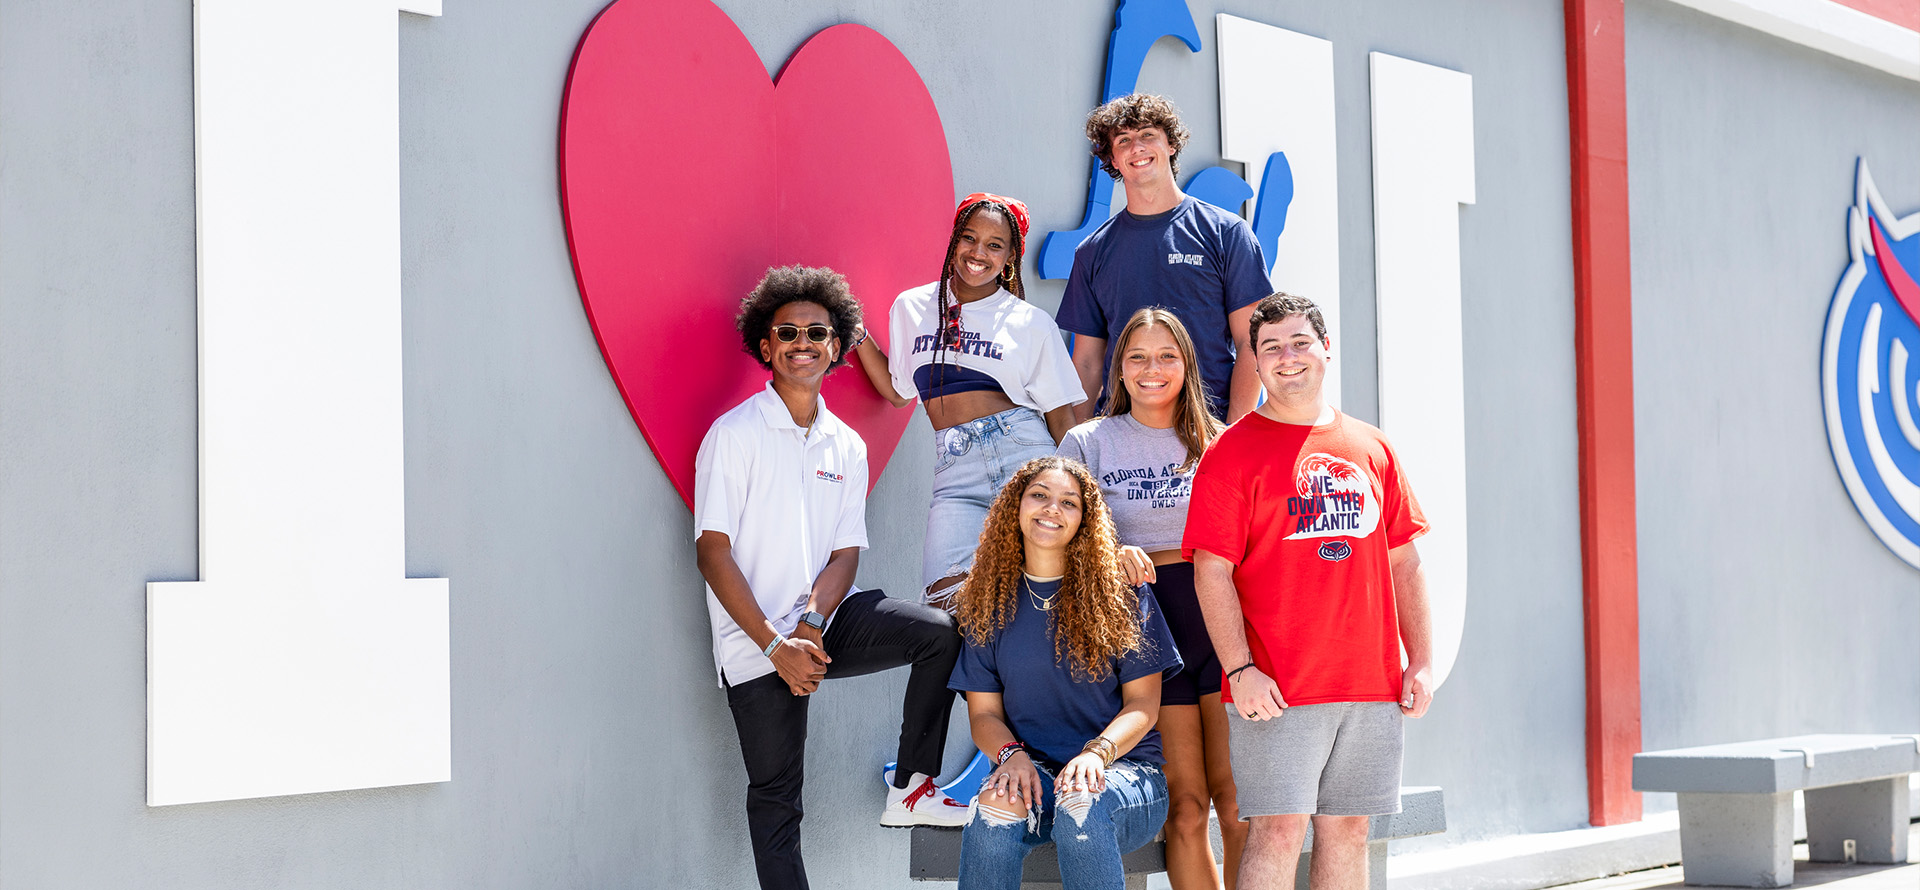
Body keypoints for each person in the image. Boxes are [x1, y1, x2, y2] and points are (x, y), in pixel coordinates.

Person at [693, 265, 969, 890]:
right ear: (766, 347)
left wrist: (813, 622)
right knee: (777, 799)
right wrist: (776, 644)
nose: (803, 343)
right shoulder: (734, 435)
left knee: (939, 632)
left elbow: (845, 553)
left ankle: (911, 786)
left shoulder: (847, 445)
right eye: (787, 332)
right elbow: (712, 552)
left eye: (816, 333)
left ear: (836, 346)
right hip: (755, 645)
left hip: (822, 622)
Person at [1182, 294, 1435, 890]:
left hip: (1371, 685)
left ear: (1326, 349)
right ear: (1255, 361)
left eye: (1299, 342)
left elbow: (1404, 563)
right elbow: (1211, 572)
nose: (1286, 357)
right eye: (1270, 347)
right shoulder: (1230, 453)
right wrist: (1239, 669)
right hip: (1277, 686)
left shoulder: (1372, 447)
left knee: (1349, 830)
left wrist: (1421, 660)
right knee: (1278, 829)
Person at [1055, 308, 1243, 890]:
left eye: (1166, 356)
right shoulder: (1088, 441)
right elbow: (1055, 532)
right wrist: (1108, 553)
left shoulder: (1223, 443)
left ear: (1187, 365)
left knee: (1239, 806)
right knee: (1185, 809)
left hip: (1222, 627)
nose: (1152, 369)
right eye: (1137, 357)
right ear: (1119, 368)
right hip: (1147, 636)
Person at [948, 456, 1182, 890]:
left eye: (1069, 502)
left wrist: (1096, 754)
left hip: (1122, 773)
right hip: (1031, 770)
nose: (1052, 508)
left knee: (1081, 801)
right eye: (1039, 495)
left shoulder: (1121, 594)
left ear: (1084, 521)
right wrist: (1010, 756)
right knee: (994, 806)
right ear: (1016, 507)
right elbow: (983, 715)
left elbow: (1143, 706)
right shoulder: (986, 601)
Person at [851, 193, 1085, 604]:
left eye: (994, 245)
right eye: (969, 238)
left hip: (1025, 459)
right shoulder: (912, 307)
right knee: (943, 601)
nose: (978, 253)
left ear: (1009, 258)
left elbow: (1062, 421)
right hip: (955, 470)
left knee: (1039, 597)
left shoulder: (1031, 323)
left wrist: (1078, 493)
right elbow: (898, 391)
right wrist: (855, 331)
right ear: (954, 240)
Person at [1057, 93, 1272, 424]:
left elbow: (1251, 343)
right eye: (1123, 140)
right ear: (1113, 159)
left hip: (1207, 428)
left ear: (1171, 145)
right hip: (1122, 433)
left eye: (1147, 135)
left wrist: (1232, 434)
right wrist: (1076, 445)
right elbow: (1086, 363)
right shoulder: (1093, 251)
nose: (1136, 147)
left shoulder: (1226, 233)